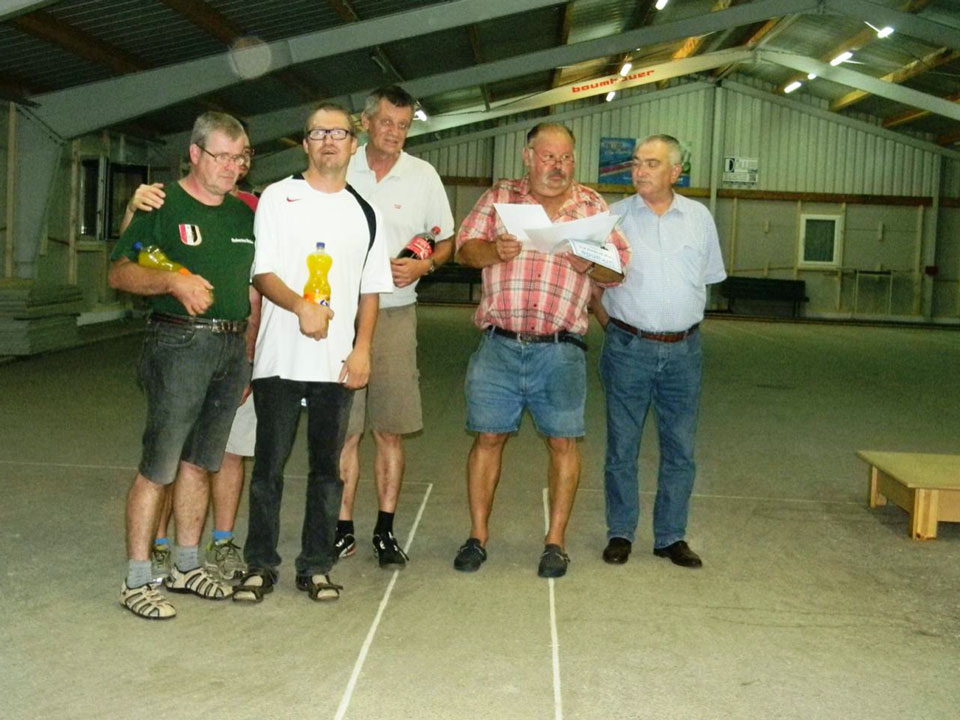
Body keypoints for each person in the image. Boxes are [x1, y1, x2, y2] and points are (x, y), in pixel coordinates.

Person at [453, 122, 630, 579]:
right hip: (499, 344)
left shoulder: (591, 206)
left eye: (566, 157)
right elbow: (463, 250)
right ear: (528, 156)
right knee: (487, 438)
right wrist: (494, 250)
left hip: (561, 349)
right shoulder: (500, 197)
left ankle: (556, 543)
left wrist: (591, 262)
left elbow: (618, 270)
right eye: (549, 156)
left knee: (562, 443)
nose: (559, 166)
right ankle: (477, 536)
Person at [233, 101, 392, 603]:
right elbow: (262, 271)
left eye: (338, 133)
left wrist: (362, 350)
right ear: (305, 144)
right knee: (268, 469)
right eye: (318, 133)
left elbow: (371, 291)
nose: (328, 142)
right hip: (279, 359)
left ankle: (316, 565)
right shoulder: (278, 197)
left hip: (335, 365)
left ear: (353, 144)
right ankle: (260, 564)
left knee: (328, 470)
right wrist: (300, 306)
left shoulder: (365, 213)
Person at [108, 111, 256, 619]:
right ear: (194, 153)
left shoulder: (243, 215)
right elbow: (120, 272)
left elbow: (253, 288)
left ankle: (187, 566)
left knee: (200, 462)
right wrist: (172, 281)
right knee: (160, 464)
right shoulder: (161, 204)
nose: (232, 167)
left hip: (231, 347)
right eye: (222, 156)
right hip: (177, 343)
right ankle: (136, 579)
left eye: (240, 158)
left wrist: (248, 352)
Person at [592, 134, 726, 569]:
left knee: (680, 449)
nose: (639, 171)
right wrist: (614, 328)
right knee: (622, 448)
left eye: (651, 163)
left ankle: (671, 536)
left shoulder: (699, 218)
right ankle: (620, 532)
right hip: (627, 348)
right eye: (636, 163)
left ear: (676, 172)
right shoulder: (613, 218)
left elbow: (706, 277)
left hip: (684, 353)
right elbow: (593, 281)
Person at [338, 86, 455, 569]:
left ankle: (384, 530)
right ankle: (341, 528)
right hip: (340, 315)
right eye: (387, 122)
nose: (395, 133)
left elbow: (444, 240)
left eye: (404, 125)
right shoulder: (339, 165)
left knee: (390, 430)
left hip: (396, 315)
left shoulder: (423, 175)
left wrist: (425, 266)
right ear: (365, 122)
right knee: (344, 431)